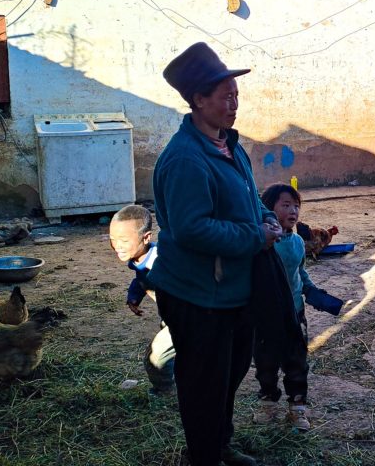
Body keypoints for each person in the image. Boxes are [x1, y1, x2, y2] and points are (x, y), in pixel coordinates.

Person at [149, 41, 283, 466]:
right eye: (225, 96)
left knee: (228, 375)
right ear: (198, 100)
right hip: (197, 295)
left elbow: (247, 196)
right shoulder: (186, 158)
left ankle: (218, 446)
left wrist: (267, 217)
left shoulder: (228, 144)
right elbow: (192, 229)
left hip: (229, 292)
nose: (234, 104)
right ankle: (202, 457)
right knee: (204, 383)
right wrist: (254, 236)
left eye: (236, 95)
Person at [253, 184, 344, 431]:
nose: (293, 211)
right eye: (285, 205)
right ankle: (268, 403)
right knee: (266, 363)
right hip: (265, 314)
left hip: (294, 312)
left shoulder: (297, 243)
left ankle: (297, 408)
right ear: (268, 209)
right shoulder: (260, 243)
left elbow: (300, 271)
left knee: (296, 361)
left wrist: (312, 291)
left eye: (296, 206)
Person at [108, 204, 175, 394]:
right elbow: (140, 278)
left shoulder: (161, 262)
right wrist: (134, 297)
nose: (117, 246)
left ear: (146, 237)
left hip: (185, 318)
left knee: (156, 357)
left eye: (123, 240)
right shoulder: (138, 259)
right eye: (113, 240)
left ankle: (164, 391)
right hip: (170, 318)